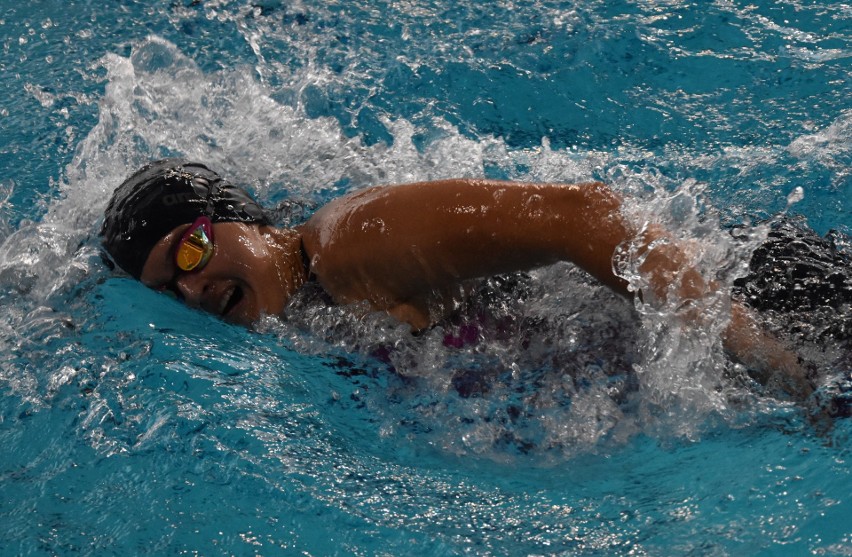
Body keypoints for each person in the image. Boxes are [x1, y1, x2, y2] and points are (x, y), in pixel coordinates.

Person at [101, 158, 845, 406]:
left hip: (774, 296)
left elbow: (580, 214)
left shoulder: (346, 245)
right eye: (170, 289)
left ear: (240, 219)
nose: (192, 290)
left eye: (190, 252)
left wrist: (761, 354)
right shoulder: (313, 310)